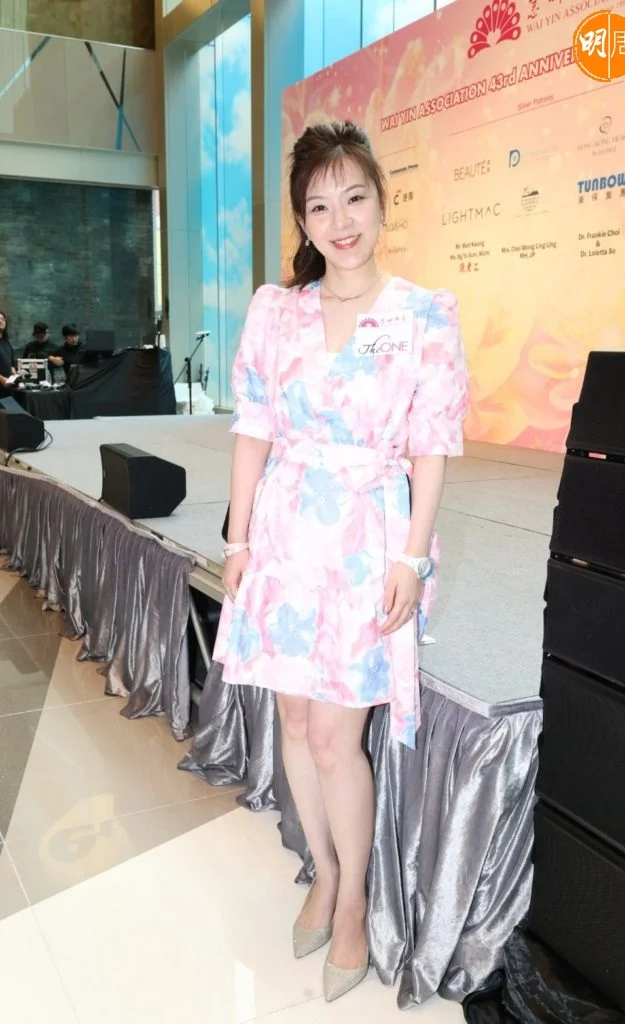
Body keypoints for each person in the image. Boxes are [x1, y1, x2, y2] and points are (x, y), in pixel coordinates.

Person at [213, 121, 468, 1003]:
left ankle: (353, 897)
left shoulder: (422, 314)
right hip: (285, 535)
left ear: (382, 202)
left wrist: (413, 559)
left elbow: (431, 445)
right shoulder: (276, 311)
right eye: (319, 207)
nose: (341, 221)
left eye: (355, 198)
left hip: (367, 540)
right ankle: (322, 870)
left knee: (335, 734)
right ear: (303, 221)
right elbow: (253, 429)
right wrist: (238, 541)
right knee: (292, 721)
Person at [0, 311, 16, 387]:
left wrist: (14, 374)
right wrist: (1, 379)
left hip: (7, 387)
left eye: (2, 319)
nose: (0, 321)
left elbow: (11, 365)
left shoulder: (6, 342)